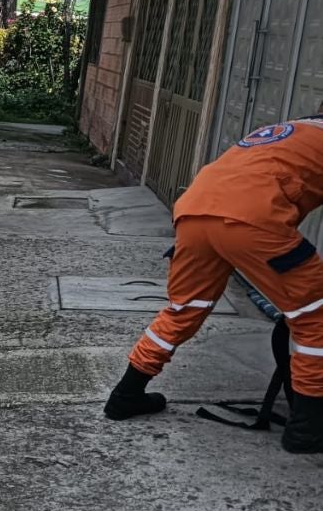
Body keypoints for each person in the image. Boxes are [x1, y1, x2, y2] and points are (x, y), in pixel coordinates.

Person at [110, 114, 323, 454]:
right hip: (255, 219)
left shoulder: (295, 129)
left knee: (183, 308)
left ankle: (126, 394)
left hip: (195, 210)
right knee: (315, 318)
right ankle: (308, 429)